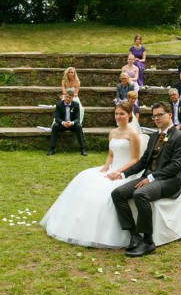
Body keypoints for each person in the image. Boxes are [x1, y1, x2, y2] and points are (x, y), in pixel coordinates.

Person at [41, 101, 144, 248]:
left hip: (126, 171)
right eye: (116, 113)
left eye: (122, 113)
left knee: (103, 193)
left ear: (129, 115)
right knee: (84, 178)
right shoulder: (113, 132)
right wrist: (107, 165)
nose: (118, 116)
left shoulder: (133, 134)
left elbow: (135, 159)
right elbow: (111, 154)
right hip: (111, 168)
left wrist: (119, 171)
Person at [109, 101, 181, 257]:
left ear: (170, 115)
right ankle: (134, 235)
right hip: (151, 178)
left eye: (160, 115)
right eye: (154, 116)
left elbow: (175, 166)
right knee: (117, 193)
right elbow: (143, 162)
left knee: (141, 194)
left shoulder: (180, 136)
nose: (157, 118)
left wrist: (151, 177)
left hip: (170, 181)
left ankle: (148, 242)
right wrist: (123, 174)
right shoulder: (154, 136)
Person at [48, 90, 87, 156]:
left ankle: (83, 149)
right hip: (62, 125)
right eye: (67, 97)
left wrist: (72, 123)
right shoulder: (59, 104)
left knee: (78, 126)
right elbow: (57, 118)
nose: (68, 99)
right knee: (55, 125)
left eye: (70, 97)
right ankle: (52, 148)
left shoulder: (76, 105)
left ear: (72, 98)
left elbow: (77, 118)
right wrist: (63, 123)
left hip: (72, 125)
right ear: (64, 96)